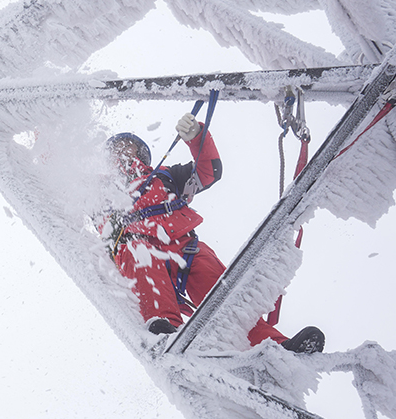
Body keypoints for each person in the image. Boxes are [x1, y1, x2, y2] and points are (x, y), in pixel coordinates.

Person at [100, 115, 324, 353]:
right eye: (116, 148)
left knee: (226, 297)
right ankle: (167, 334)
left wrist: (197, 138)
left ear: (140, 153)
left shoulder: (164, 176)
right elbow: (60, 189)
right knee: (145, 265)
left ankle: (275, 346)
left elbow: (209, 171)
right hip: (137, 243)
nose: (122, 151)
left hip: (185, 245)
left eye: (127, 145)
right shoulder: (99, 189)